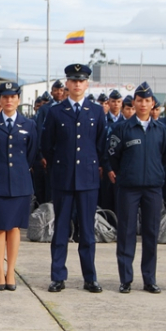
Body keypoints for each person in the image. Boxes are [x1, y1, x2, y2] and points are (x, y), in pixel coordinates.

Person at [41, 64, 107, 293]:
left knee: (88, 230)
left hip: (87, 180)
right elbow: (47, 145)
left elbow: (100, 144)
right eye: (73, 80)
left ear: (87, 84)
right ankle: (58, 276)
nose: (77, 84)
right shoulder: (55, 112)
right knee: (60, 229)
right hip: (63, 178)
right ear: (67, 84)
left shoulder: (96, 112)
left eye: (81, 80)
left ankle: (90, 277)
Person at [106, 82, 166, 294]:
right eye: (139, 100)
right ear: (133, 103)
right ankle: (126, 279)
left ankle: (149, 279)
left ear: (153, 104)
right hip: (129, 188)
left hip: (152, 188)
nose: (143, 104)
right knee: (126, 232)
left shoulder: (161, 130)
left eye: (147, 101)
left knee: (151, 233)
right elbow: (113, 156)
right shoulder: (122, 129)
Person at [0, 82, 38, 291]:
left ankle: (11, 270)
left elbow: (31, 155)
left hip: (20, 183)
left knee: (14, 228)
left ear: (19, 100)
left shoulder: (28, 124)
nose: (9, 100)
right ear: (0, 100)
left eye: (13, 97)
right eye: (5, 97)